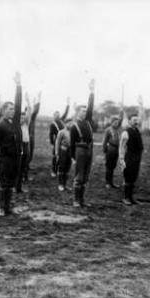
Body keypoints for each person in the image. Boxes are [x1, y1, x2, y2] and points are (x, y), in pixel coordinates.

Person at [0, 72, 22, 216]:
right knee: (2, 184)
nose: (13, 111)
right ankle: (1, 207)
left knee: (10, 184)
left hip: (15, 159)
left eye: (13, 109)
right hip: (4, 159)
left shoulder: (15, 123)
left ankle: (8, 206)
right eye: (10, 109)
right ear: (3, 111)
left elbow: (19, 102)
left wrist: (18, 85)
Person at [70, 79, 95, 208]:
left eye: (86, 111)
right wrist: (73, 158)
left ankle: (82, 200)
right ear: (77, 112)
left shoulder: (87, 122)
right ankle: (76, 200)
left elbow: (91, 107)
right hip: (79, 150)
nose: (85, 113)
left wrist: (91, 92)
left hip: (89, 150)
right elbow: (71, 144)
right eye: (82, 111)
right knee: (79, 176)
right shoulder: (74, 126)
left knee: (86, 176)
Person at [119, 96, 145, 206]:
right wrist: (121, 160)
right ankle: (125, 198)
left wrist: (140, 105)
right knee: (128, 177)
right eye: (134, 120)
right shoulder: (126, 132)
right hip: (129, 157)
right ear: (129, 121)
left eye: (137, 120)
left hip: (137, 157)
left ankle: (130, 197)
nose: (136, 122)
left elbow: (142, 118)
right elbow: (121, 147)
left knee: (133, 177)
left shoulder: (138, 130)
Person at [102, 102, 124, 189]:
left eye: (117, 122)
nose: (116, 123)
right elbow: (104, 141)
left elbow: (121, 119)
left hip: (117, 150)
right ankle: (107, 182)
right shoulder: (108, 130)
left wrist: (121, 110)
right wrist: (104, 150)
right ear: (111, 122)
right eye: (114, 122)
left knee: (113, 166)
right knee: (109, 166)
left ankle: (111, 182)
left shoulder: (118, 129)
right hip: (110, 149)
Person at [14, 93, 32, 193]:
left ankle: (19, 187)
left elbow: (29, 112)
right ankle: (14, 186)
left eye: (23, 117)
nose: (22, 119)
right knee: (17, 167)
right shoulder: (16, 126)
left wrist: (28, 101)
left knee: (23, 167)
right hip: (18, 147)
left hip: (26, 146)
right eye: (20, 117)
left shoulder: (26, 124)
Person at [49, 98, 70, 178]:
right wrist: (52, 142)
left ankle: (58, 170)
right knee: (55, 157)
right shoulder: (52, 124)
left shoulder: (61, 120)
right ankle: (53, 171)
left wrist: (68, 104)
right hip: (57, 142)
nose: (57, 116)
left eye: (58, 115)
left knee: (62, 157)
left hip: (63, 141)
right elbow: (51, 134)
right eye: (56, 115)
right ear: (54, 116)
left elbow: (66, 113)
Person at [55, 118, 73, 192]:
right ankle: (60, 184)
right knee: (61, 168)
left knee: (67, 168)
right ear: (65, 124)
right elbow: (57, 143)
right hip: (63, 151)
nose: (70, 125)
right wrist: (57, 153)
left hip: (70, 152)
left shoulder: (72, 132)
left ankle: (65, 184)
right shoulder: (61, 132)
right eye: (68, 123)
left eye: (71, 123)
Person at [27, 92, 41, 176]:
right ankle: (25, 168)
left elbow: (35, 111)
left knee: (31, 152)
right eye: (28, 111)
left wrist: (36, 101)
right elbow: (34, 110)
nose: (29, 112)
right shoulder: (26, 119)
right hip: (26, 138)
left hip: (32, 137)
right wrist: (29, 101)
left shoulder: (32, 118)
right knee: (27, 153)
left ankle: (27, 165)